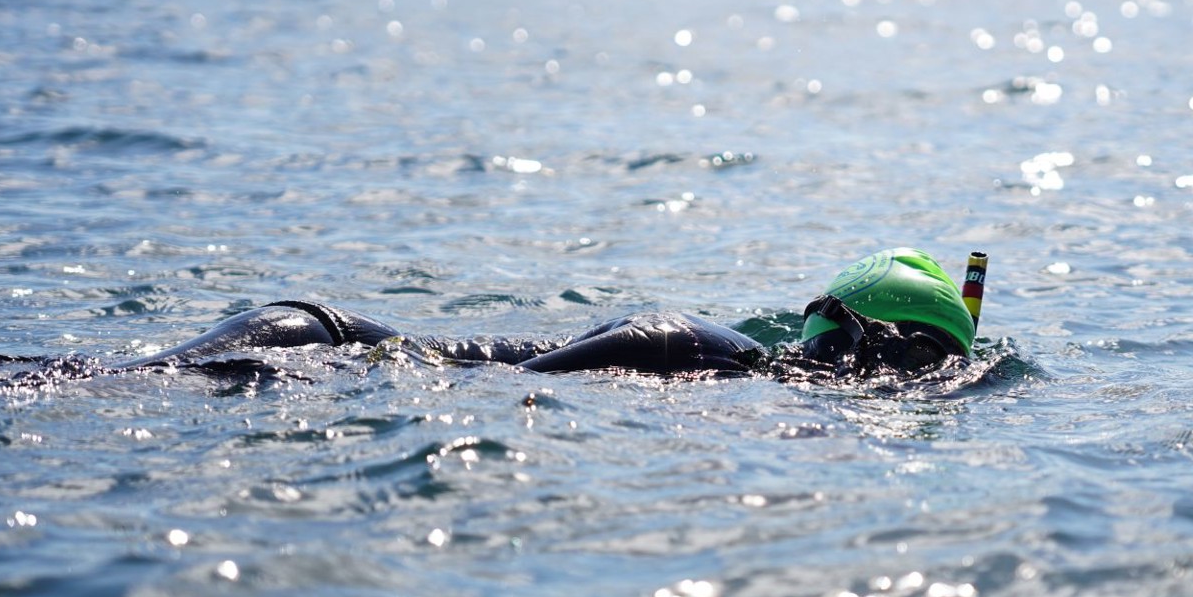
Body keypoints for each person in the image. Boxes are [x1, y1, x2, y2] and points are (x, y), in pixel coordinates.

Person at [112, 248, 980, 379]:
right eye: (926, 363)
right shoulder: (718, 355)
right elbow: (652, 339)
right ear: (882, 346)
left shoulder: (733, 352)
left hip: (314, 329)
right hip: (317, 347)